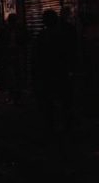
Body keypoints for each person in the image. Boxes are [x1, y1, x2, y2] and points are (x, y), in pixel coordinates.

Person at [32, 9, 76, 141]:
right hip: (59, 73)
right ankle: (64, 126)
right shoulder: (63, 34)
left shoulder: (43, 36)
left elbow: (37, 58)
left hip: (49, 74)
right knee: (63, 101)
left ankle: (53, 127)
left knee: (50, 102)